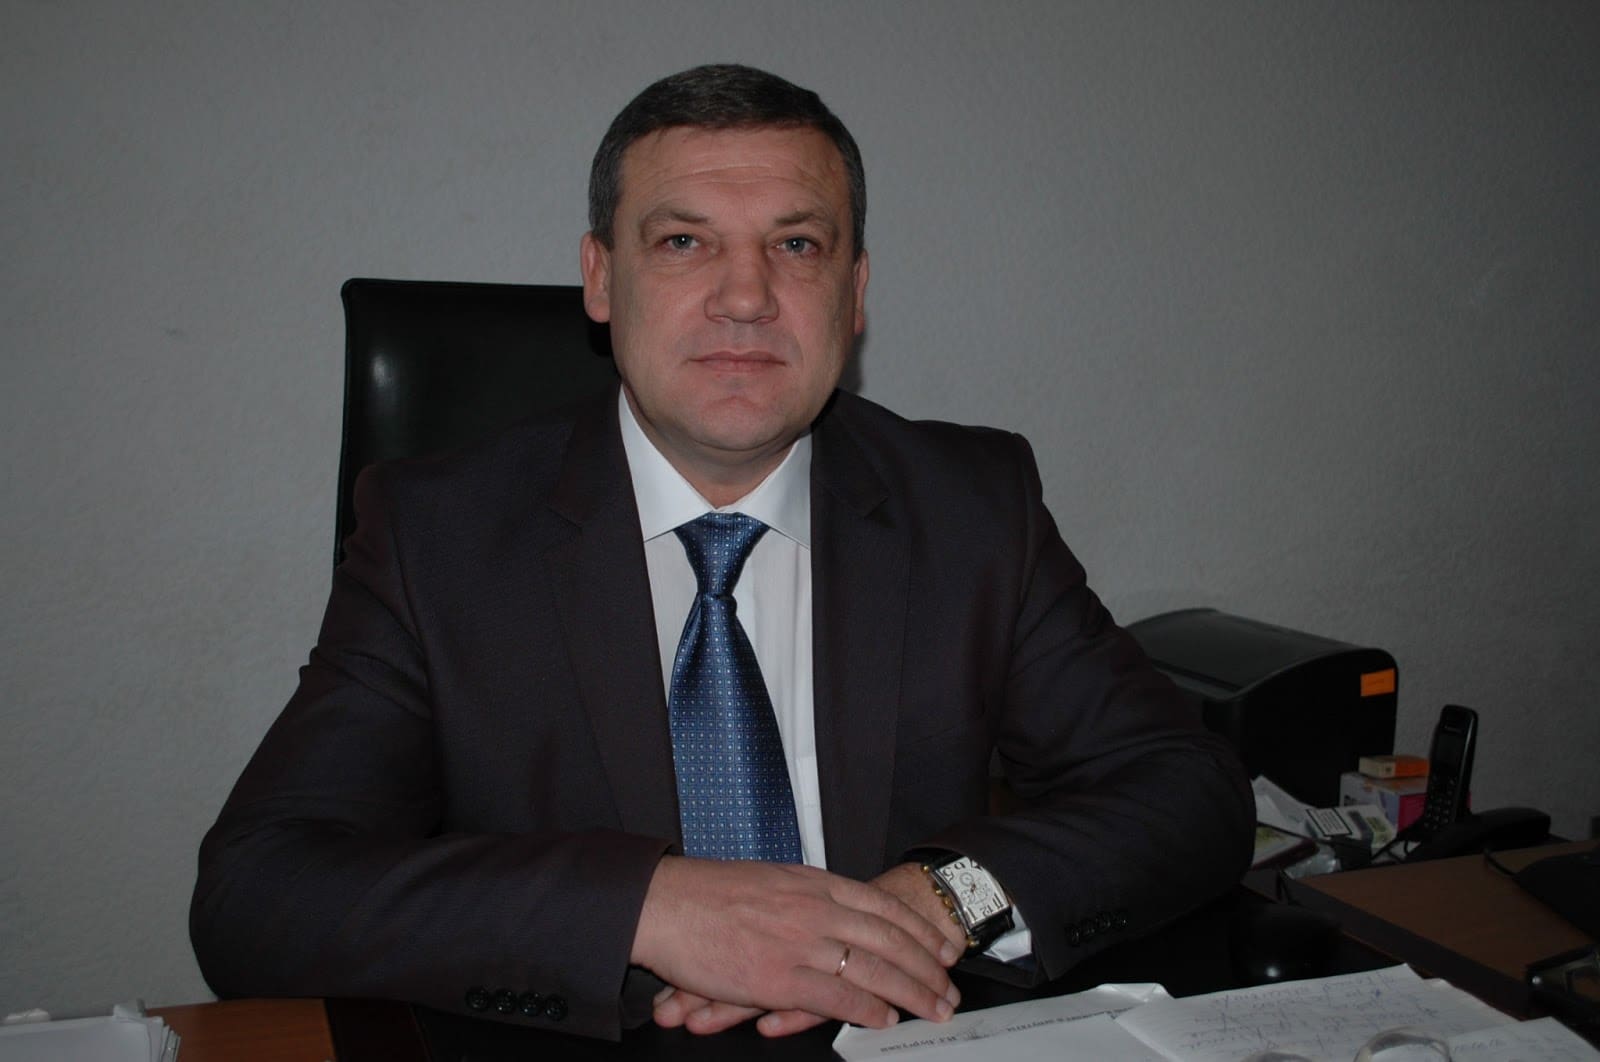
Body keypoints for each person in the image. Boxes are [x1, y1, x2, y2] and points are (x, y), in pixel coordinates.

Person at [190, 63, 1253, 1043]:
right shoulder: (439, 536)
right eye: (683, 242)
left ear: (854, 292)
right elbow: (258, 890)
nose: (746, 297)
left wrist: (943, 900)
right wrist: (647, 907)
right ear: (601, 278)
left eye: (796, 246)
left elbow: (1188, 792)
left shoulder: (971, 507)